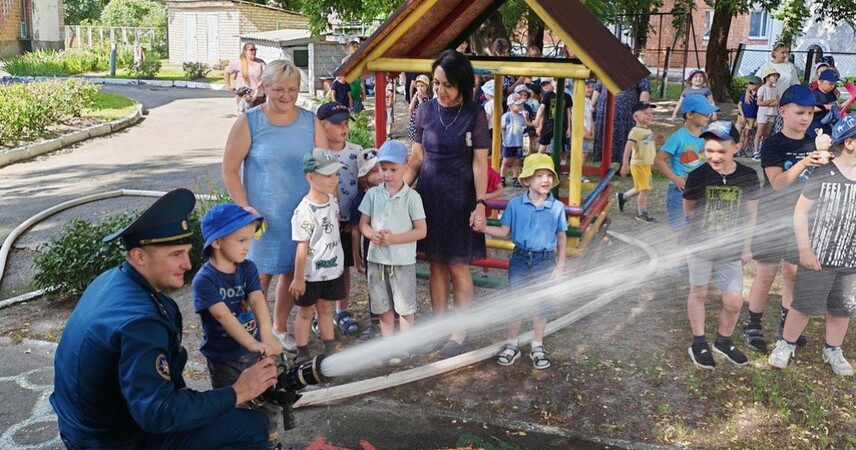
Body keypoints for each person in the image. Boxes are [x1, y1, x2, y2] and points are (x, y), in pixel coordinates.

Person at [51, 189, 278, 450]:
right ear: (139, 256)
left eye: (186, 252)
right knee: (252, 427)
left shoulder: (112, 280)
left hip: (84, 425)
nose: (187, 264)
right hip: (110, 440)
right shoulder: (142, 323)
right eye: (175, 255)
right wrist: (238, 391)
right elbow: (158, 414)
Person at [222, 60, 329, 354]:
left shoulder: (310, 121)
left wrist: (324, 206)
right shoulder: (250, 121)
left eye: (292, 89)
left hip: (300, 213)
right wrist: (245, 209)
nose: (286, 96)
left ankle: (279, 329)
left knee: (289, 271)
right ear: (264, 86)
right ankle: (253, 332)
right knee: (258, 276)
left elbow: (323, 166)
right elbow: (229, 170)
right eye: (279, 89)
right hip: (262, 216)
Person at [404, 49, 490, 358]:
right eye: (437, 83)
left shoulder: (475, 114)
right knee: (436, 266)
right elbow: (416, 158)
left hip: (461, 199)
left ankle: (459, 332)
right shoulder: (424, 111)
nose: (440, 90)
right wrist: (399, 191)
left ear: (463, 85)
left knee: (458, 267)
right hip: (429, 198)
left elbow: (481, 163)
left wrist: (480, 204)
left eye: (447, 85)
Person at [768, 114, 854, 376]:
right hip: (819, 256)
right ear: (850, 143)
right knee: (803, 305)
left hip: (851, 260)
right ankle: (786, 343)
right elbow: (800, 212)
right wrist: (804, 250)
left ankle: (833, 349)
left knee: (843, 308)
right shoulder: (824, 173)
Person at [742, 85, 825, 353]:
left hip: (802, 220)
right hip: (773, 215)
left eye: (810, 113)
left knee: (792, 274)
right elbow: (777, 183)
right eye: (800, 112)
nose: (805, 118)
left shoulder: (815, 141)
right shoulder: (773, 144)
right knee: (766, 273)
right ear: (783, 112)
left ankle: (785, 323)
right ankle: (753, 324)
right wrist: (805, 162)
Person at [193, 203, 284, 448]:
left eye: (249, 239)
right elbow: (225, 317)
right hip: (224, 358)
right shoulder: (205, 280)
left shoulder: (247, 268)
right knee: (236, 404)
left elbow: (256, 298)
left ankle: (270, 441)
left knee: (268, 398)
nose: (248, 245)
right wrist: (253, 342)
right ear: (217, 242)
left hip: (254, 351)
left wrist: (267, 335)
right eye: (241, 240)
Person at [682, 122, 760, 369]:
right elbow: (690, 210)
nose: (714, 157)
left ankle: (723, 341)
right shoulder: (697, 176)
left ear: (736, 147)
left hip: (732, 249)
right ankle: (699, 342)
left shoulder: (747, 176)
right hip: (700, 246)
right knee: (699, 293)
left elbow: (751, 214)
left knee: (734, 301)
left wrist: (746, 246)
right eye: (709, 150)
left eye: (721, 151)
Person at [482, 154, 568, 370]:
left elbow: (562, 237)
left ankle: (537, 345)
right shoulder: (515, 205)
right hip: (520, 259)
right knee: (516, 302)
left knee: (542, 303)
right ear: (527, 180)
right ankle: (512, 344)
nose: (546, 180)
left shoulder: (556, 207)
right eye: (539, 175)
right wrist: (483, 228)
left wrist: (560, 265)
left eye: (549, 175)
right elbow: (503, 232)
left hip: (545, 261)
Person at [358, 140, 427, 366]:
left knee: (405, 308)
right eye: (382, 169)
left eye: (392, 169)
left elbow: (421, 231)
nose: (386, 174)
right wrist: (372, 235)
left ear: (406, 165)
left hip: (402, 262)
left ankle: (404, 348)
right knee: (382, 306)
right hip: (377, 261)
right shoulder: (372, 195)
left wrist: (395, 239)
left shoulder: (412, 198)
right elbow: (363, 224)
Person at [290, 148, 348, 364]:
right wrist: (298, 278)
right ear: (310, 177)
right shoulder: (304, 211)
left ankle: (329, 346)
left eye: (336, 174)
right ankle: (302, 351)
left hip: (332, 269)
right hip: (310, 274)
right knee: (305, 312)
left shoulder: (332, 201)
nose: (334, 180)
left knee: (326, 308)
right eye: (328, 175)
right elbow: (302, 247)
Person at [315, 101, 363, 336]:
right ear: (322, 126)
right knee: (323, 266)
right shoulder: (315, 154)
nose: (343, 128)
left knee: (344, 267)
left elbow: (364, 181)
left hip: (347, 220)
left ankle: (341, 309)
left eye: (346, 124)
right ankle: (319, 313)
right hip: (323, 220)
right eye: (337, 124)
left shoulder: (356, 152)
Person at [654, 94, 719, 232]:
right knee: (677, 228)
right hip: (680, 190)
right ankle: (674, 253)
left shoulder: (707, 135)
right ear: (689, 114)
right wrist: (675, 178)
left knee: (696, 225)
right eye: (704, 113)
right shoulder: (678, 137)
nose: (708, 116)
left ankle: (689, 253)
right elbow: (658, 160)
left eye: (709, 113)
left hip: (701, 188)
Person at [351, 148, 384, 341]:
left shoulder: (393, 193)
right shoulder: (361, 199)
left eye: (382, 168)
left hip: (392, 249)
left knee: (392, 283)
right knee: (374, 284)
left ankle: (395, 320)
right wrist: (356, 254)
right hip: (370, 248)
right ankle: (375, 322)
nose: (380, 174)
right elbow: (356, 229)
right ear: (363, 177)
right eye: (373, 171)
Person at [592, 76, 651, 163]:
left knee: (627, 136)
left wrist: (641, 110)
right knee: (605, 135)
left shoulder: (636, 69)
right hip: (605, 109)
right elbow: (598, 88)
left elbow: (644, 90)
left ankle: (625, 164)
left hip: (626, 112)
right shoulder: (607, 67)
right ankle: (604, 163)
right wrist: (592, 105)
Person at [617, 102, 657, 223]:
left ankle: (623, 197)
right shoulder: (635, 131)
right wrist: (625, 164)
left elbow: (647, 145)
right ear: (636, 117)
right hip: (638, 164)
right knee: (644, 189)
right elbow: (628, 148)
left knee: (642, 187)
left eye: (651, 114)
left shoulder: (647, 130)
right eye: (645, 113)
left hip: (647, 164)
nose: (649, 116)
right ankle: (641, 213)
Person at [500, 93, 532, 187]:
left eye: (521, 104)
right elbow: (501, 128)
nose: (521, 106)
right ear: (510, 105)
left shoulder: (521, 116)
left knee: (516, 161)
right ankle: (502, 178)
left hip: (518, 142)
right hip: (508, 142)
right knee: (505, 161)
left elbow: (524, 127)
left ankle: (515, 178)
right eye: (518, 104)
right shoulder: (506, 116)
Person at [225, 43, 266, 112]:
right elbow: (227, 72)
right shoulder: (238, 63)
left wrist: (262, 81)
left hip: (258, 96)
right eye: (251, 50)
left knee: (258, 119)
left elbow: (268, 74)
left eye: (255, 50)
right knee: (245, 119)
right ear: (245, 51)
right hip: (244, 97)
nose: (254, 51)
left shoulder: (260, 62)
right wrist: (229, 86)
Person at [535, 78, 572, 155]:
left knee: (562, 147)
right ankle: (538, 162)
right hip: (548, 125)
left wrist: (569, 128)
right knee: (543, 146)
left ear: (565, 83)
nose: (558, 82)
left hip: (562, 125)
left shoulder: (567, 96)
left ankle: (561, 163)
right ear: (552, 82)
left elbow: (568, 112)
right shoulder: (548, 95)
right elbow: (541, 108)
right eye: (555, 80)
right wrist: (537, 120)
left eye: (561, 80)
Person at [754, 67, 780, 160]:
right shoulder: (762, 88)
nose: (775, 78)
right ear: (767, 77)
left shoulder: (775, 89)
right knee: (759, 132)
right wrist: (770, 101)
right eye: (773, 76)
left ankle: (764, 151)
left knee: (767, 133)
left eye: (776, 76)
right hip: (763, 113)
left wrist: (769, 102)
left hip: (772, 113)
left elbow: (777, 101)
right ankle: (756, 151)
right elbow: (759, 102)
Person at [808, 69, 841, 139]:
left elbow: (837, 106)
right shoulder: (814, 94)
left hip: (827, 126)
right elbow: (809, 108)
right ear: (820, 82)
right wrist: (826, 107)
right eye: (830, 83)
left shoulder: (831, 94)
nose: (832, 86)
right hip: (815, 126)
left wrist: (849, 101)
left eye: (834, 84)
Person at [736, 76, 761, 156]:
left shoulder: (759, 96)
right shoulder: (745, 94)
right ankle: (734, 149)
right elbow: (739, 105)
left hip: (752, 117)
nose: (751, 85)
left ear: (758, 85)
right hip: (741, 116)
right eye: (750, 83)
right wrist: (742, 115)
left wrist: (757, 119)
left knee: (747, 134)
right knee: (737, 133)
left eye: (753, 83)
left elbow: (759, 108)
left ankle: (743, 150)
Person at [343, 40, 366, 113]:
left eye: (357, 47)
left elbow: (361, 77)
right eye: (354, 47)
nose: (356, 48)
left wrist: (363, 93)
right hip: (349, 85)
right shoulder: (345, 60)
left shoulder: (359, 59)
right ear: (349, 48)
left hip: (357, 85)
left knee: (358, 110)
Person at [409, 74, 432, 141]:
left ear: (427, 87)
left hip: (423, 121)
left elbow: (424, 109)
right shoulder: (416, 97)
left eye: (422, 86)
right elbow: (410, 108)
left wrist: (420, 99)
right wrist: (415, 97)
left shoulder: (428, 98)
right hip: (415, 120)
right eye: (418, 86)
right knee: (413, 140)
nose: (420, 88)